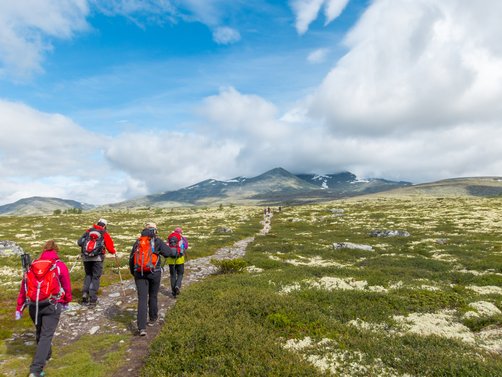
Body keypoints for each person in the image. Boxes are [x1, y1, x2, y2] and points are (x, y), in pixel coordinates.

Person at [15, 240, 72, 377]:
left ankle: (47, 355)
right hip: (52, 304)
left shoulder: (32, 266)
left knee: (40, 332)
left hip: (33, 305)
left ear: (43, 250)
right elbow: (67, 286)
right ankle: (36, 370)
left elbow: (24, 287)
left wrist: (19, 308)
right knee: (46, 336)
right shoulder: (59, 265)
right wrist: (66, 301)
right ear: (56, 251)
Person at [129, 222, 171, 336]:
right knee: (153, 295)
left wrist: (134, 272)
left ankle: (141, 327)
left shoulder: (138, 242)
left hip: (139, 273)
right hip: (154, 273)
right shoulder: (157, 241)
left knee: (142, 299)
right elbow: (168, 253)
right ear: (155, 231)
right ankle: (152, 318)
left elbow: (131, 259)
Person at [77, 218, 116, 307]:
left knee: (88, 275)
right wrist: (113, 251)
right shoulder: (104, 233)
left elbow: (79, 242)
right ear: (105, 225)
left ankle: (84, 294)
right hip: (98, 258)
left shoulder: (89, 231)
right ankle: (92, 299)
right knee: (95, 277)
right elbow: (110, 247)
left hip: (86, 257)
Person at [166, 227, 189, 298]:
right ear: (180, 232)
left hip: (170, 260)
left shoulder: (169, 237)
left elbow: (166, 247)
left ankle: (173, 293)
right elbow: (186, 246)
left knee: (172, 275)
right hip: (179, 259)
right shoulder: (182, 238)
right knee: (180, 274)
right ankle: (177, 286)